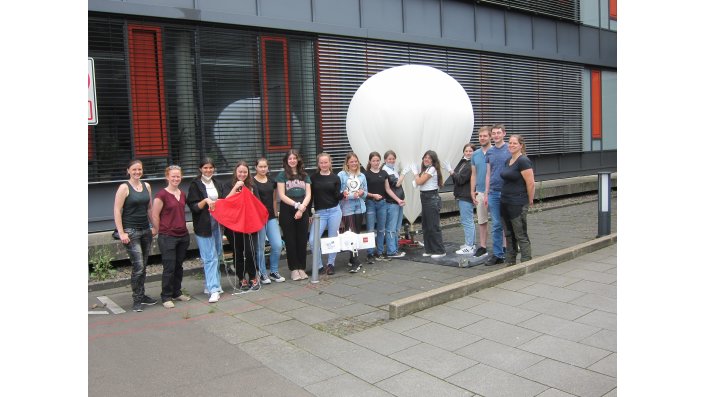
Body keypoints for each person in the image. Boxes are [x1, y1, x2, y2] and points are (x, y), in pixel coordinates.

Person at [113, 159, 158, 312]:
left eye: (139, 169)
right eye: (134, 170)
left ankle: (142, 294)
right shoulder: (124, 188)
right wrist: (121, 232)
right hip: (130, 231)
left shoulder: (147, 186)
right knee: (138, 266)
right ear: (128, 171)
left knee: (143, 265)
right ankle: (137, 299)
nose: (137, 172)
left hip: (145, 230)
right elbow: (117, 210)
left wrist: (155, 227)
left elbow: (150, 208)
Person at [152, 165, 192, 309]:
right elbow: (155, 214)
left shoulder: (182, 194)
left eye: (178, 176)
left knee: (179, 266)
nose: (176, 178)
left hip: (182, 235)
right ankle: (166, 296)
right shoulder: (161, 195)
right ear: (167, 177)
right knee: (169, 267)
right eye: (173, 176)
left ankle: (177, 292)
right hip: (167, 236)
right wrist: (158, 229)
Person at [187, 158, 225, 303]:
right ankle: (213, 289)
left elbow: (223, 201)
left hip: (217, 225)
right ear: (200, 169)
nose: (208, 170)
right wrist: (206, 201)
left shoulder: (217, 183)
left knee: (218, 254)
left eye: (210, 168)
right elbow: (194, 207)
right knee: (210, 257)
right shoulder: (195, 185)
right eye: (205, 168)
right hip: (203, 226)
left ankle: (211, 285)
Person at [276, 149, 312, 281]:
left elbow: (308, 194)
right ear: (286, 161)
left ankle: (301, 268)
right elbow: (282, 195)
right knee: (290, 241)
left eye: (294, 158)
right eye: (290, 158)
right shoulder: (282, 175)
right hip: (287, 209)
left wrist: (302, 209)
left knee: (302, 240)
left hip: (303, 208)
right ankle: (293, 269)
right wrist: (297, 206)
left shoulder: (304, 175)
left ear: (298, 160)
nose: (292, 161)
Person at [224, 161, 261, 292]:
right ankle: (241, 278)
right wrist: (236, 188)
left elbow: (257, 204)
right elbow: (225, 201)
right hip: (234, 226)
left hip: (249, 224)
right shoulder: (228, 185)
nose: (242, 174)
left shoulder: (252, 185)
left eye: (245, 172)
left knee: (250, 251)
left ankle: (252, 276)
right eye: (240, 171)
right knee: (238, 252)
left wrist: (249, 193)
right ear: (236, 172)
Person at [364, 151, 405, 263]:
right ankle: (370, 253)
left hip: (382, 204)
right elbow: (363, 192)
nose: (376, 162)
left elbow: (388, 189)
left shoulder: (384, 173)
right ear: (370, 162)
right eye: (373, 161)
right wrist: (373, 195)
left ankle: (380, 252)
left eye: (377, 160)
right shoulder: (366, 174)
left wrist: (398, 200)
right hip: (370, 204)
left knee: (381, 229)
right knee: (370, 229)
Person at [500, 135, 535, 265]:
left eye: (515, 143)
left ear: (521, 145)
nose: (511, 145)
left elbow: (530, 183)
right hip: (504, 202)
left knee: (520, 233)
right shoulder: (508, 160)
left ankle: (526, 260)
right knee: (508, 233)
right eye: (510, 143)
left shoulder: (523, 161)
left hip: (518, 203)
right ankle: (510, 261)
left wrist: (529, 200)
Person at [309, 152, 343, 275]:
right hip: (320, 213)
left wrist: (344, 194)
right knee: (313, 240)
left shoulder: (335, 178)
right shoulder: (313, 178)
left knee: (332, 237)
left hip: (334, 211)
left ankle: (331, 264)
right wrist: (309, 213)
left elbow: (337, 196)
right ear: (318, 164)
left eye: (326, 162)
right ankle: (318, 265)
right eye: (321, 162)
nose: (324, 164)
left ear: (330, 163)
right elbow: (310, 196)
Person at [253, 157, 286, 284]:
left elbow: (273, 199)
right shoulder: (252, 182)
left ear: (268, 167)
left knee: (277, 244)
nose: (262, 169)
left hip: (271, 217)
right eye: (260, 167)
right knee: (260, 247)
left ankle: (273, 271)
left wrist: (275, 214)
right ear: (256, 167)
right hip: (258, 218)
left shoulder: (272, 181)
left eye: (265, 166)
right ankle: (262, 273)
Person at [484, 124, 512, 266]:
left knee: (509, 222)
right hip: (494, 192)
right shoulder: (490, 152)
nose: (496, 135)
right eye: (493, 133)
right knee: (496, 224)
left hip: (508, 192)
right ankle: (497, 254)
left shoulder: (510, 149)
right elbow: (488, 174)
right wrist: (486, 193)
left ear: (504, 134)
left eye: (498, 133)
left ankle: (511, 250)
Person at [411, 150, 446, 258]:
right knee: (426, 225)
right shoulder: (426, 170)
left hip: (431, 198)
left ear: (433, 160)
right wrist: (417, 176)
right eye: (425, 157)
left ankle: (439, 250)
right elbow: (416, 183)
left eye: (429, 158)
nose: (426, 159)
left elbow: (420, 182)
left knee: (433, 225)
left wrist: (415, 173)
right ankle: (430, 249)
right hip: (425, 198)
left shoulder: (432, 169)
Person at [338, 152, 368, 273]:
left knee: (356, 233)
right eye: (351, 161)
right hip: (347, 207)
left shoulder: (362, 176)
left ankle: (352, 258)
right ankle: (356, 262)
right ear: (347, 163)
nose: (354, 163)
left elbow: (366, 192)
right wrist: (351, 196)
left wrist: (362, 193)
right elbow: (339, 192)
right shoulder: (341, 175)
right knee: (349, 234)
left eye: (356, 161)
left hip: (360, 207)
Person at [446, 143, 476, 255]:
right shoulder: (463, 162)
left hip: (465, 195)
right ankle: (470, 243)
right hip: (461, 194)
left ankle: (469, 245)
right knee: (467, 220)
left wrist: (451, 171)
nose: (468, 153)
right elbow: (456, 179)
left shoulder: (470, 165)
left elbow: (460, 179)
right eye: (466, 151)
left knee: (467, 221)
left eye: (470, 151)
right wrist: (454, 173)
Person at [471, 126, 492, 258]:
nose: (482, 138)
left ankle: (505, 245)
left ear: (490, 137)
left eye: (485, 136)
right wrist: (472, 191)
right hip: (480, 192)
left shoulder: (496, 151)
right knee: (482, 221)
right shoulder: (475, 154)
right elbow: (473, 174)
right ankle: (483, 246)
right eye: (480, 136)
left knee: (499, 221)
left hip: (494, 192)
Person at [382, 150, 407, 258]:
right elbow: (396, 184)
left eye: (393, 159)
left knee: (396, 227)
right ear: (385, 160)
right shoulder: (386, 170)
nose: (392, 161)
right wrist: (404, 173)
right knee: (391, 228)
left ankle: (395, 249)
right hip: (392, 203)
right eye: (389, 159)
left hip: (398, 202)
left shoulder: (393, 169)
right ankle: (391, 251)